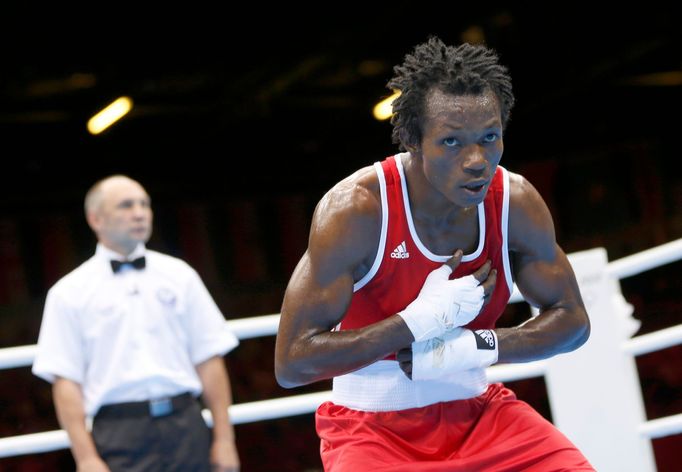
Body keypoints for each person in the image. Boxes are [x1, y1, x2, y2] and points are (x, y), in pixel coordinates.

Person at [275, 36, 594, 471]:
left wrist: (476, 346)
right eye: (452, 142)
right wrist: (415, 322)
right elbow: (292, 362)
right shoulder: (357, 210)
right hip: (371, 431)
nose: (477, 160)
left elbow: (573, 321)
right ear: (412, 140)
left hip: (482, 414)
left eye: (489, 137)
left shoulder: (514, 202)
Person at [32, 175, 240, 472]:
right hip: (118, 430)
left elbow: (209, 359)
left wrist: (225, 438)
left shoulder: (180, 275)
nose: (140, 212)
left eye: (145, 204)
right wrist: (86, 457)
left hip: (185, 422)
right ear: (96, 219)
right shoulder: (69, 292)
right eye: (126, 205)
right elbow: (65, 381)